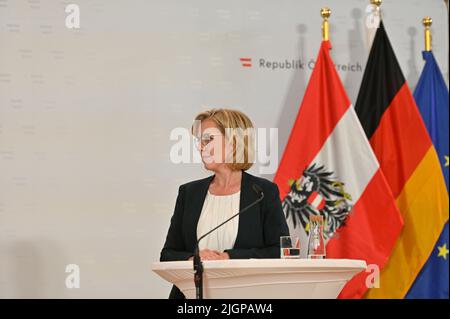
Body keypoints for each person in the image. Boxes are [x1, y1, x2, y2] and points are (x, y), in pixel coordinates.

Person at [160, 108, 289, 299]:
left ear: (233, 142)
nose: (200, 147)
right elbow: (168, 254)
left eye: (208, 139)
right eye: (199, 141)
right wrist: (193, 260)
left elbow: (280, 251)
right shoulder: (189, 193)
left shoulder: (263, 192)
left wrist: (228, 257)